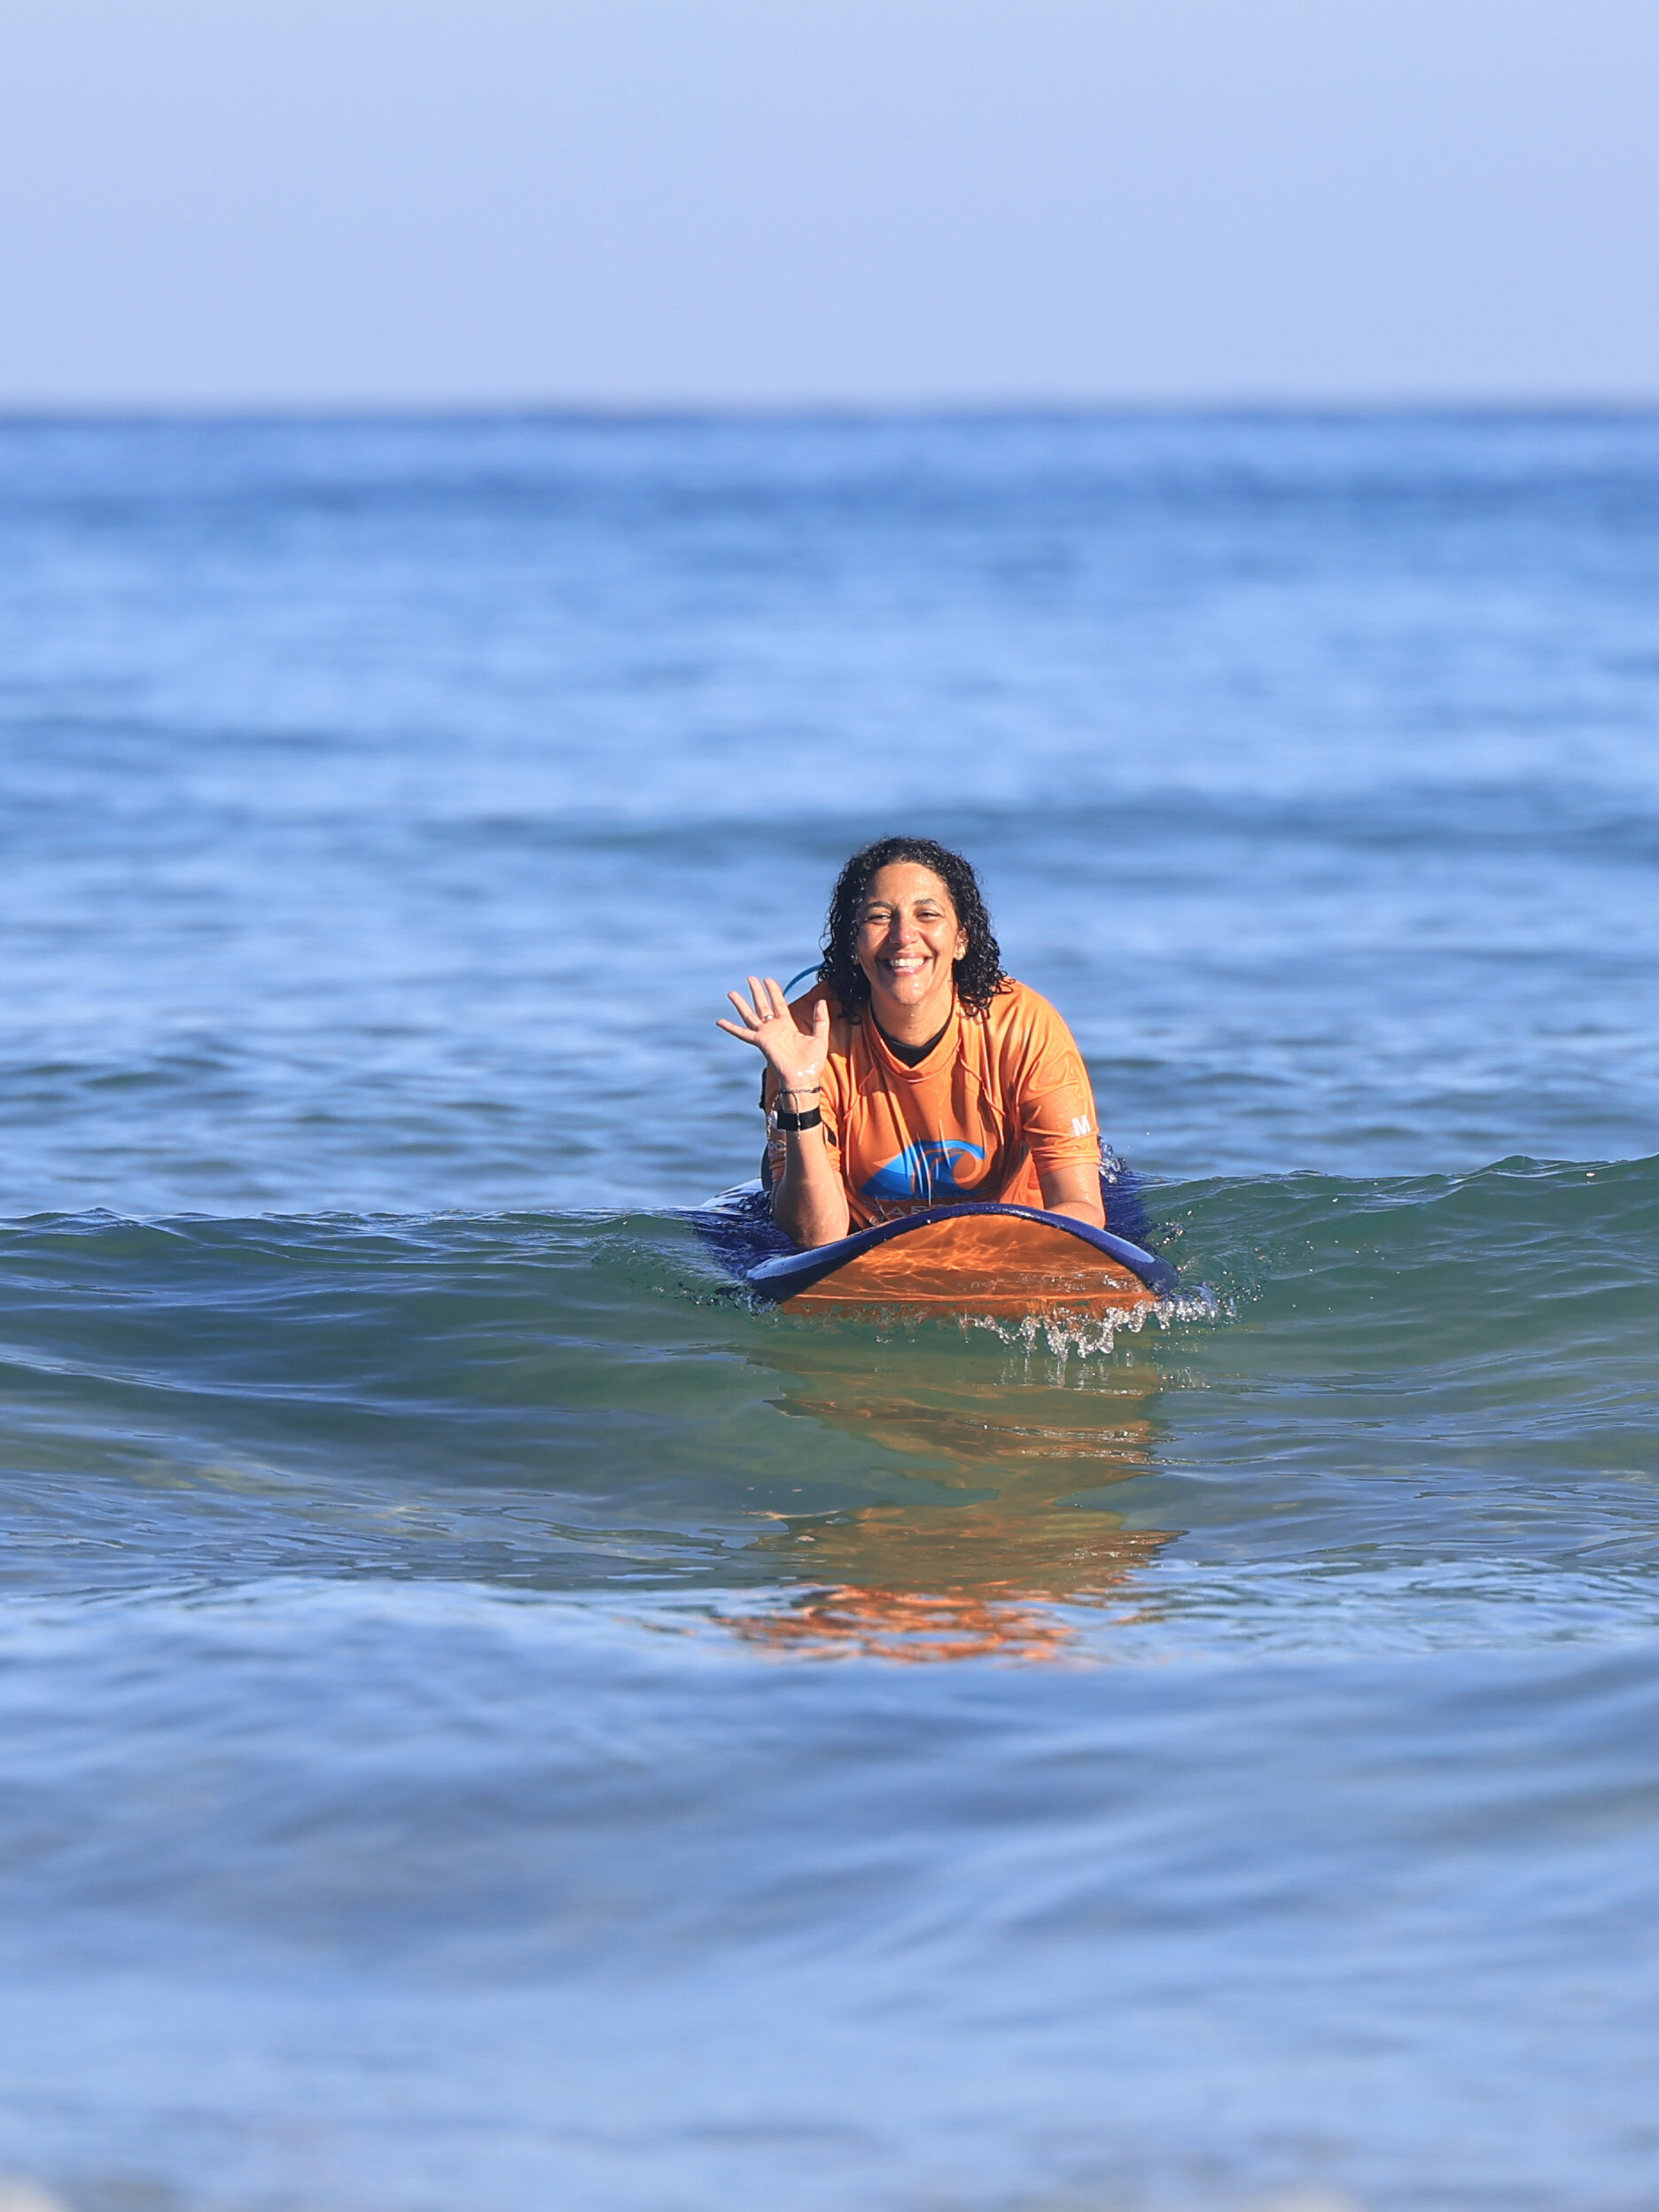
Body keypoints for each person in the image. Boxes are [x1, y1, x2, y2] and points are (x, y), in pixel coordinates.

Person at [717, 836, 1109, 1250]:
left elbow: (1081, 1208)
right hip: (859, 1237)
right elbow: (819, 1237)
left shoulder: (1022, 1027)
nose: (904, 936)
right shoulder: (805, 1036)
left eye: (927, 913)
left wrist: (986, 1259)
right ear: (853, 943)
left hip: (1007, 1234)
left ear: (961, 939)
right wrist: (798, 1088)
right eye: (879, 917)